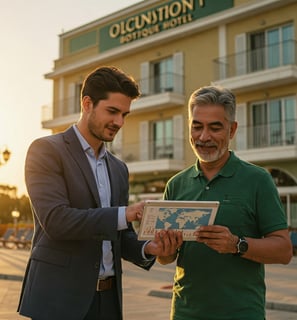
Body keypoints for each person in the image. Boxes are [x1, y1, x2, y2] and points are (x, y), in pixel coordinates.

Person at [18, 66, 181, 320]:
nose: (119, 122)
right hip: (58, 302)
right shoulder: (46, 150)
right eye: (113, 111)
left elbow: (120, 235)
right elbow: (56, 221)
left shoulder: (118, 168)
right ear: (87, 104)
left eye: (125, 114)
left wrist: (150, 247)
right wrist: (125, 213)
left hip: (108, 302)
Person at [157, 85, 293, 320]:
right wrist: (165, 250)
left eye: (215, 127)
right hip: (185, 314)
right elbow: (165, 258)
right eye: (197, 126)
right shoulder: (176, 184)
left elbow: (284, 250)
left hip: (241, 314)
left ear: (232, 130)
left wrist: (236, 244)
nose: (203, 136)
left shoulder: (258, 180)